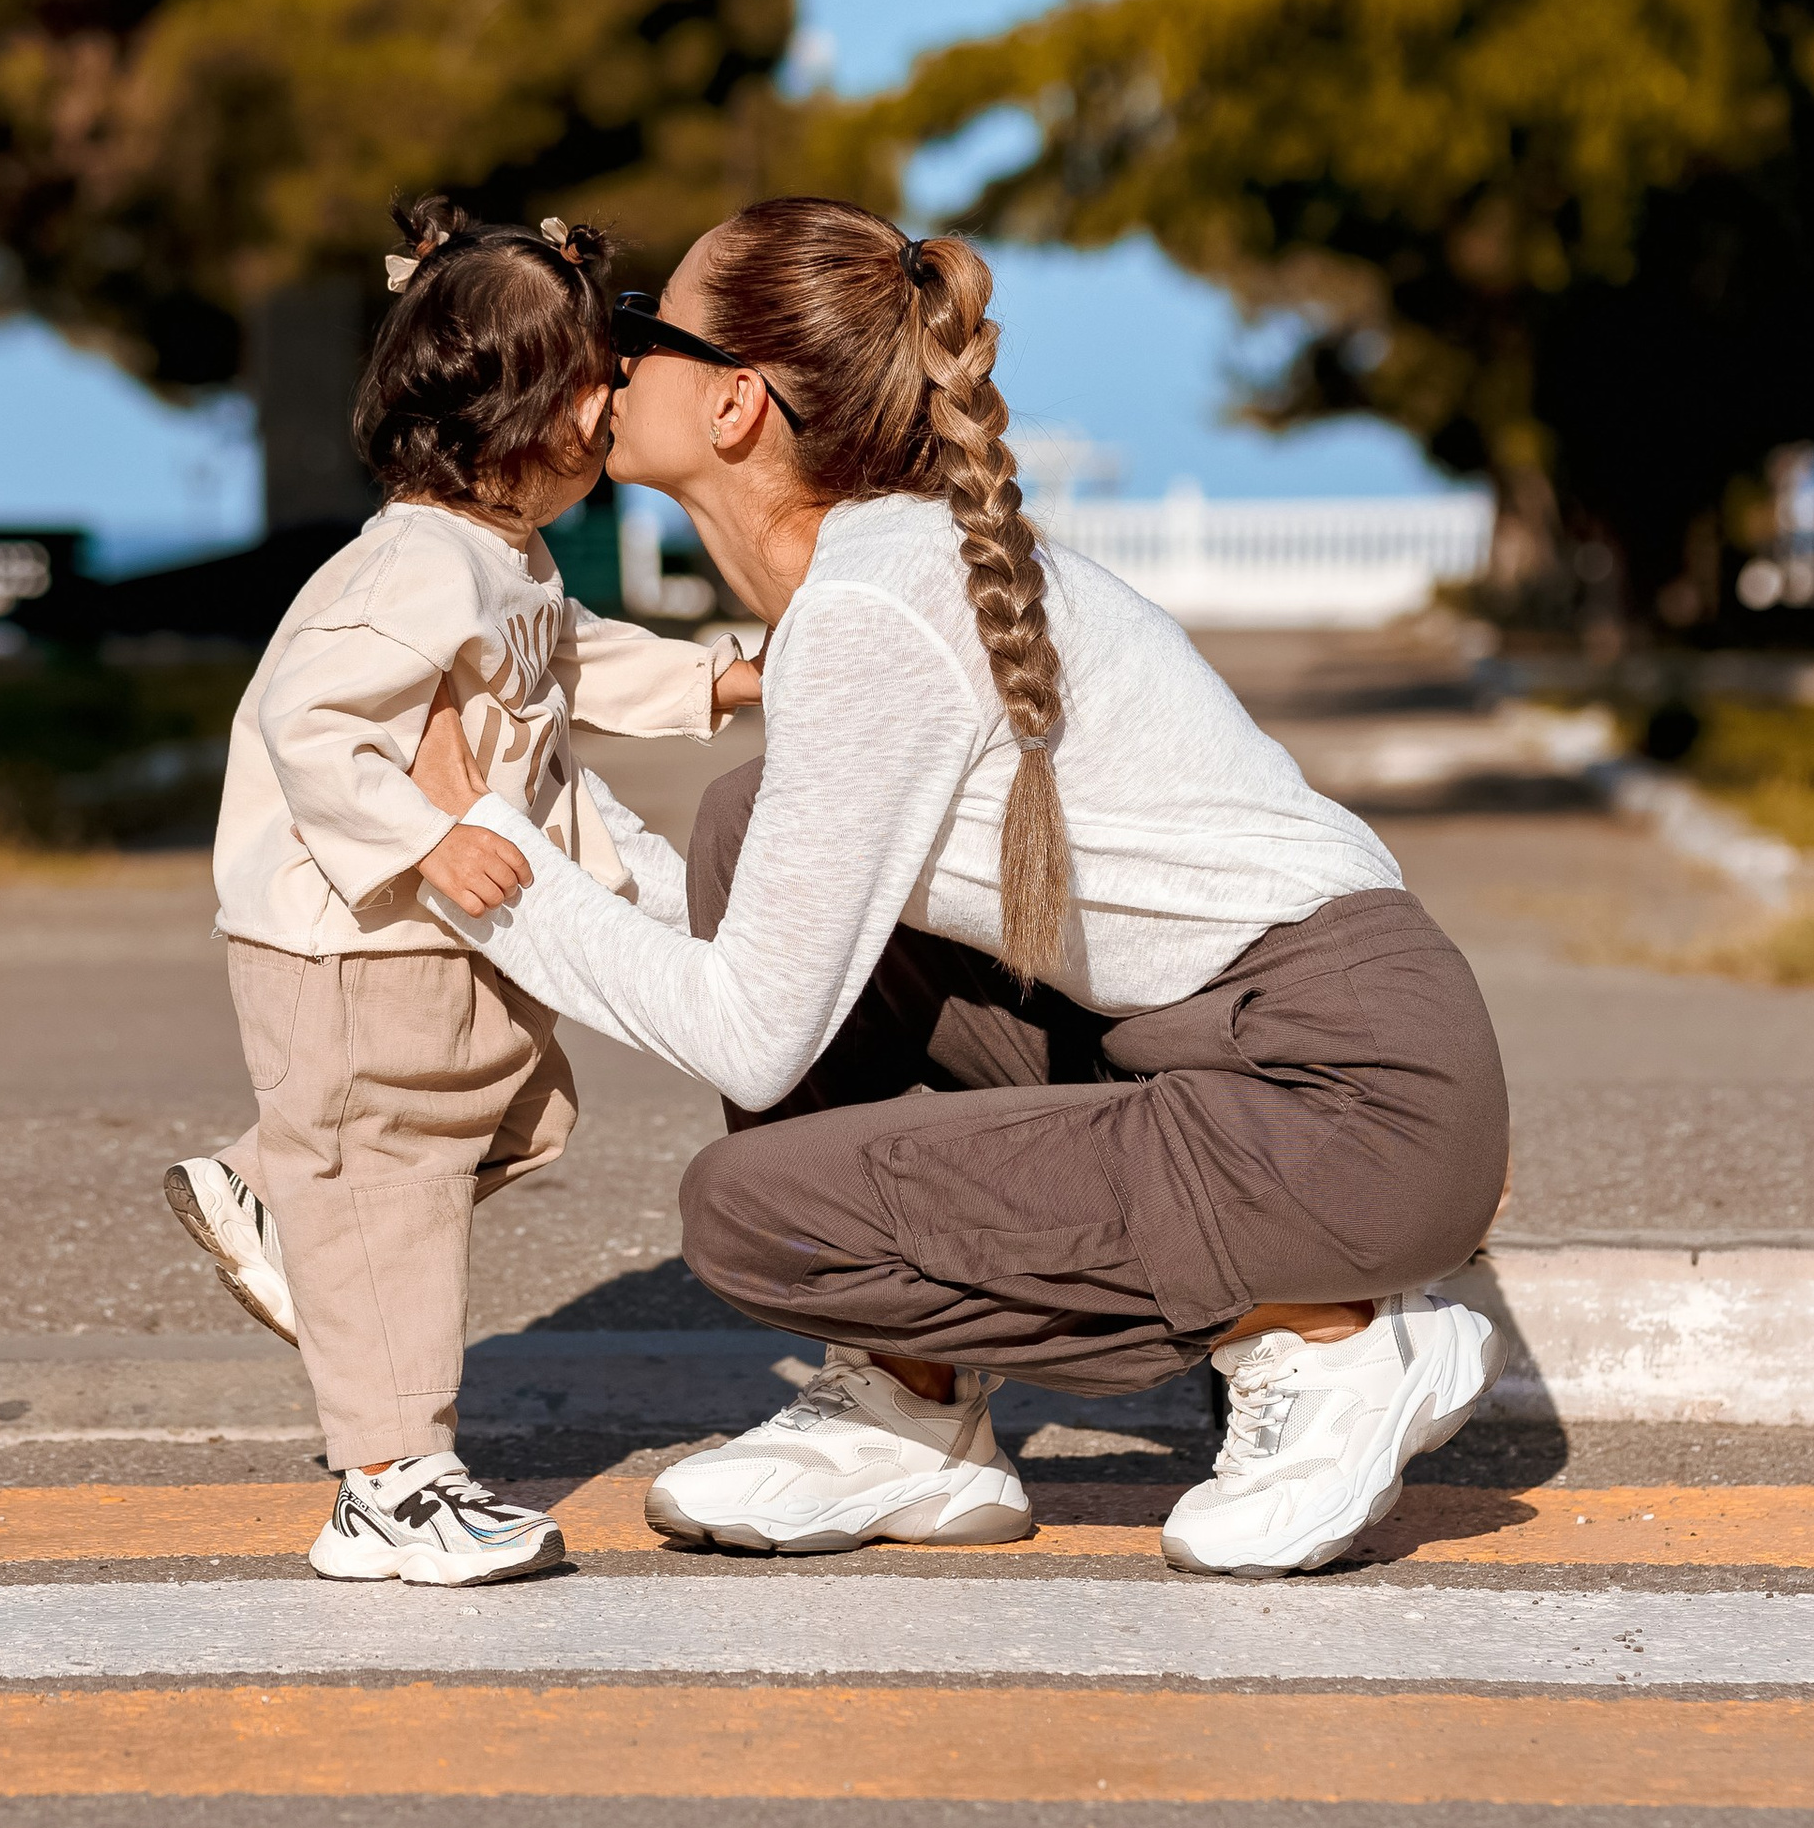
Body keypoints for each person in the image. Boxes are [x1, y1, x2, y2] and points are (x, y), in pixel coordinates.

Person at [412, 195, 1512, 1577]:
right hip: (1249, 1063)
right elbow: (776, 946)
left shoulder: (878, 612)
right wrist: (546, 836)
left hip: (1344, 1105)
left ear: (739, 400)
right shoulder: (890, 580)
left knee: (753, 1215)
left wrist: (488, 864)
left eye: (640, 330)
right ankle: (911, 1414)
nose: (607, 357)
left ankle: (1330, 1338)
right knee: (750, 826)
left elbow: (751, 1028)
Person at [165, 195, 761, 1586]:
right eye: (595, 387)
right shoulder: (406, 570)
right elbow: (313, 728)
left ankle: (272, 1185)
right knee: (388, 1193)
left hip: (424, 949)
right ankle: (389, 1482)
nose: (617, 407)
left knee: (517, 1111)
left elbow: (568, 660)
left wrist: (714, 679)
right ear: (509, 421)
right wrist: (420, 843)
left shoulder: (498, 562)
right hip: (356, 946)